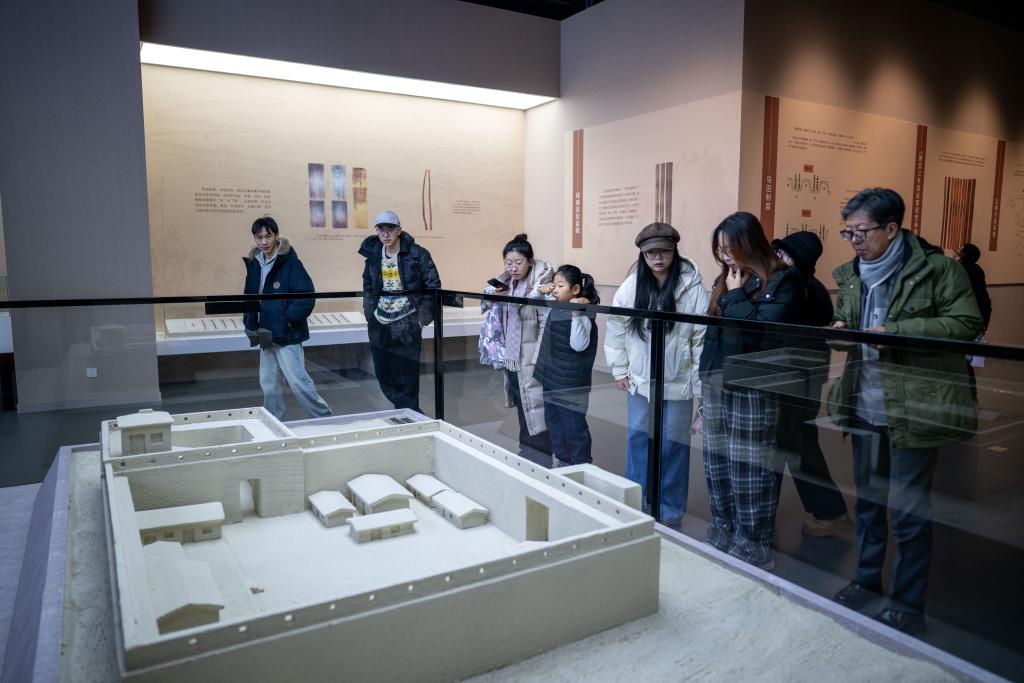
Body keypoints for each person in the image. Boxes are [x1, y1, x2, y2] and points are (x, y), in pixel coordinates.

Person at [828, 188, 982, 634]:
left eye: (861, 232)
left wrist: (897, 331)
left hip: (914, 407)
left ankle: (907, 605)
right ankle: (865, 581)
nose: (854, 241)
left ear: (892, 228)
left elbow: (967, 323)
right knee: (868, 505)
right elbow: (845, 322)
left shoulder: (938, 269)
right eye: (848, 233)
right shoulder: (852, 274)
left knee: (909, 513)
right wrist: (839, 330)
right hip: (864, 404)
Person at [697, 211, 803, 570]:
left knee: (750, 464)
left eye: (731, 249)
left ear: (750, 244)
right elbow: (713, 332)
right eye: (720, 250)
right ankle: (723, 529)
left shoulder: (782, 279)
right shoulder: (726, 278)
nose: (725, 256)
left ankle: (754, 543)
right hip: (716, 378)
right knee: (716, 462)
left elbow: (765, 332)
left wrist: (736, 295)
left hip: (754, 382)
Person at [605, 223, 708, 526]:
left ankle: (670, 510)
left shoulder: (692, 286)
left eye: (663, 251)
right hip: (640, 379)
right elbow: (617, 330)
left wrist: (699, 387)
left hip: (679, 382)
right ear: (642, 254)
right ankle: (636, 504)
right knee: (639, 440)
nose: (658, 258)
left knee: (674, 446)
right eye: (651, 253)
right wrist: (619, 369)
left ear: (675, 250)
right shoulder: (632, 286)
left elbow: (700, 340)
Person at [771, 232, 852, 537]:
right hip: (794, 379)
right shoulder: (801, 286)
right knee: (789, 443)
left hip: (797, 380)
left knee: (798, 444)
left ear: (799, 260)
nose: (776, 259)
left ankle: (831, 512)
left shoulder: (805, 289)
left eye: (783, 254)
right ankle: (826, 511)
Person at [243, 216, 332, 421]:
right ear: (254, 238)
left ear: (276, 235)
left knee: (297, 380)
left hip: (286, 332)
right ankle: (274, 422)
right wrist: (250, 323)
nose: (264, 242)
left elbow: (306, 296)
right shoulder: (254, 264)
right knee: (269, 383)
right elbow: (248, 297)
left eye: (268, 236)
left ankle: (324, 419)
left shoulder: (290, 262)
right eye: (259, 237)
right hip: (264, 331)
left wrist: (287, 321)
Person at [358, 210, 441, 414]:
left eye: (390, 229)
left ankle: (409, 416)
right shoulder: (374, 255)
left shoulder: (417, 253)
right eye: (381, 230)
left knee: (407, 376)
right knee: (384, 375)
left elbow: (433, 286)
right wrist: (370, 314)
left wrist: (422, 319)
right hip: (379, 321)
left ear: (399, 230)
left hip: (407, 321)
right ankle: (409, 414)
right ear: (377, 231)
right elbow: (368, 285)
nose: (386, 234)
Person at [482, 234, 554, 466]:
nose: (513, 268)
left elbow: (545, 324)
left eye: (518, 262)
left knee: (536, 408)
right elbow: (488, 307)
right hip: (513, 357)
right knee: (525, 407)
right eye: (508, 263)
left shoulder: (540, 286)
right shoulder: (507, 284)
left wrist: (539, 358)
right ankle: (528, 452)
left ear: (530, 262)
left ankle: (540, 458)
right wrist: (494, 296)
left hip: (532, 358)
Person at [532, 265, 600, 468]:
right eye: (554, 284)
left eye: (560, 285)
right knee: (554, 422)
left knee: (573, 427)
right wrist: (541, 289)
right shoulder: (557, 304)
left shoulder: (583, 313)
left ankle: (581, 467)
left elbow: (578, 345)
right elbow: (532, 300)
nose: (555, 289)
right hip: (550, 376)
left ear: (576, 289)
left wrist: (577, 315)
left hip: (570, 383)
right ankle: (562, 463)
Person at [955, 243, 992, 333]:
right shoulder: (976, 271)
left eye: (959, 253)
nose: (956, 255)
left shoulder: (963, 271)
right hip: (977, 320)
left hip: (966, 321)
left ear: (964, 256)